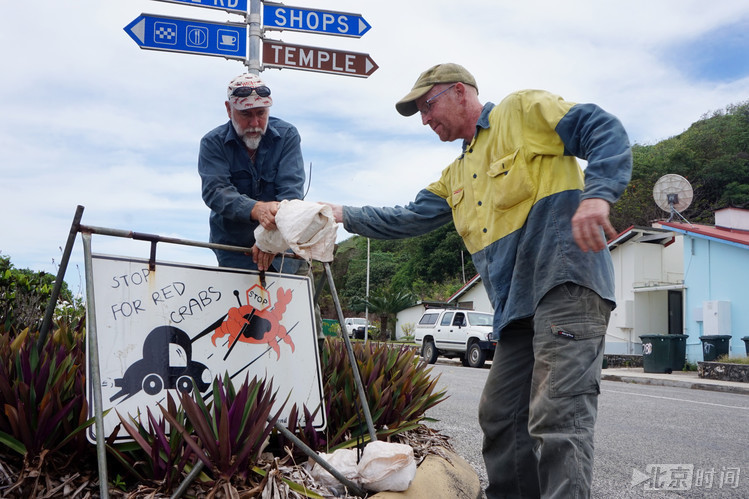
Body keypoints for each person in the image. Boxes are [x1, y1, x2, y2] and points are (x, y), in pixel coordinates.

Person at [324, 63, 632, 498]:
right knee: (501, 413)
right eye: (420, 114)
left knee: (557, 415)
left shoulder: (520, 112)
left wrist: (598, 194)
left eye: (428, 105)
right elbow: (406, 218)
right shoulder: (455, 177)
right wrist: (341, 214)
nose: (426, 119)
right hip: (516, 311)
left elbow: (601, 127)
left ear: (461, 92)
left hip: (565, 284)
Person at [198, 72, 305, 273]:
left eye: (261, 113)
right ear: (229, 110)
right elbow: (216, 191)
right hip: (235, 250)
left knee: (296, 302)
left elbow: (291, 194)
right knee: (236, 304)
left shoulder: (287, 135)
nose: (255, 123)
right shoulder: (212, 143)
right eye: (246, 114)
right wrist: (256, 209)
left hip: (284, 247)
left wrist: (270, 241)